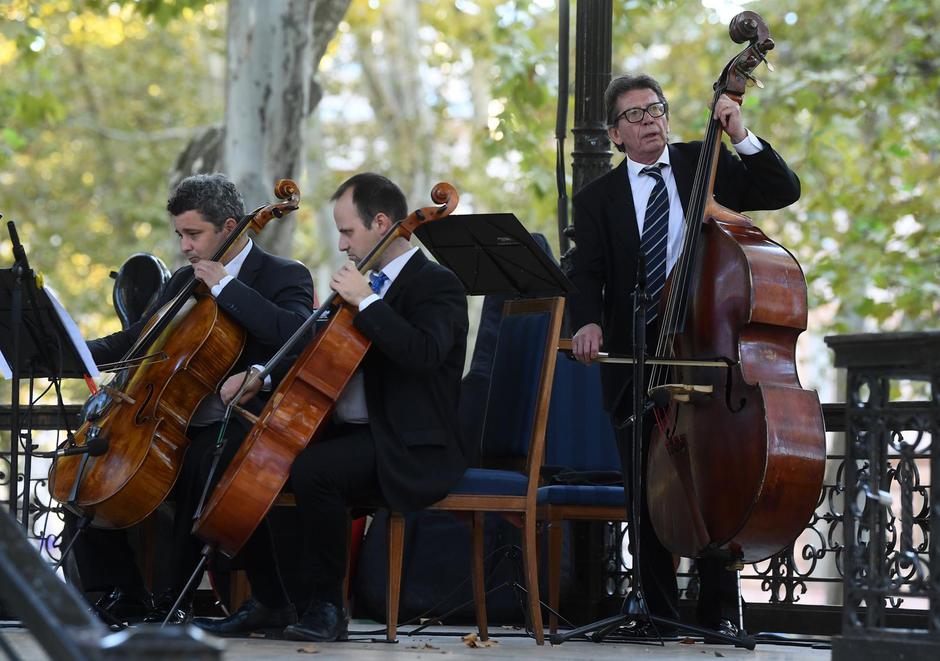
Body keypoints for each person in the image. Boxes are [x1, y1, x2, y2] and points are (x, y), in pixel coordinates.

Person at [568, 74, 801, 638]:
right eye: (634, 116)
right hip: (638, 351)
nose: (649, 121)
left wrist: (739, 132)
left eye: (656, 109)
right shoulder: (597, 197)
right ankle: (656, 611)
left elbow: (780, 189)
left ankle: (721, 603)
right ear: (614, 134)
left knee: (715, 474)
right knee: (645, 485)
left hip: (704, 347)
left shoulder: (703, 162)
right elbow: (586, 272)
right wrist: (588, 321)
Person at [191, 172, 469, 641]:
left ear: (382, 223)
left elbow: (423, 355)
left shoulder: (436, 284)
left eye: (347, 231)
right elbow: (317, 352)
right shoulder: (363, 285)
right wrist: (265, 376)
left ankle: (327, 608)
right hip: (358, 434)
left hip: (409, 442)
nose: (341, 245)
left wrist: (369, 302)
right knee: (263, 461)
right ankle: (279, 601)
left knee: (316, 471)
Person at [64, 173, 315, 627]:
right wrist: (72, 351)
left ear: (230, 226)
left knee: (202, 463)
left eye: (194, 234)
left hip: (238, 420)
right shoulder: (182, 280)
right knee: (88, 463)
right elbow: (138, 341)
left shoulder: (283, 275)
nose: (184, 246)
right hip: (165, 417)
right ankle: (124, 592)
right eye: (180, 234)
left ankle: (172, 599)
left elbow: (296, 334)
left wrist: (226, 287)